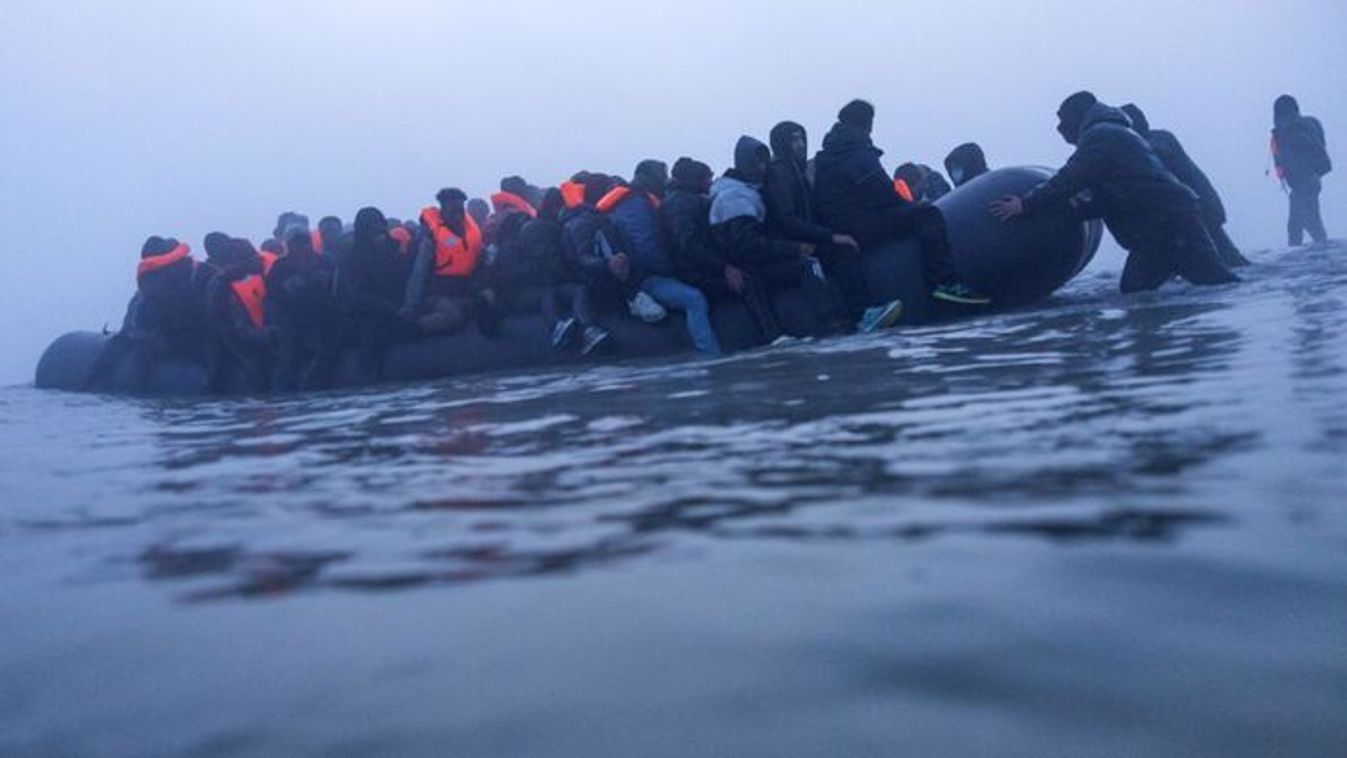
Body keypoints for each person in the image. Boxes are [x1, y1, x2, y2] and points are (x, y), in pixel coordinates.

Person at [989, 91, 1239, 293]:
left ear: (1077, 116)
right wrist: (1065, 213)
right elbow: (1111, 197)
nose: (1059, 128)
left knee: (1144, 293)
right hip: (1167, 223)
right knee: (1208, 283)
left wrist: (1025, 204)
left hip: (1165, 226)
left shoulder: (1101, 137)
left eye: (1063, 120)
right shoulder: (1114, 134)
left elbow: (1069, 179)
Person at [813, 99, 990, 306]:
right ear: (866, 123)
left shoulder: (831, 153)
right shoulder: (857, 151)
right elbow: (883, 192)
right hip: (857, 222)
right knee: (927, 214)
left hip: (840, 223)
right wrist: (907, 207)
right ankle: (944, 281)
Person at [764, 121, 902, 332]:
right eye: (793, 140)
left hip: (807, 239)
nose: (800, 145)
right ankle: (856, 315)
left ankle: (860, 313)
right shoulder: (779, 174)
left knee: (842, 250)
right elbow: (786, 219)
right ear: (781, 144)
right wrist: (828, 236)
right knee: (837, 253)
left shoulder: (797, 172)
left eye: (801, 139)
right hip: (792, 246)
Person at [709, 137, 850, 337]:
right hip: (750, 266)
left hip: (751, 260)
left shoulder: (745, 190)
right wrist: (793, 248)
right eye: (758, 162)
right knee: (809, 265)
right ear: (745, 163)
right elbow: (747, 244)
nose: (763, 167)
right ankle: (834, 323)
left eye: (764, 162)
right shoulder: (735, 197)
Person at [599, 160, 723, 356]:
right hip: (646, 277)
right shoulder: (635, 205)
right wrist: (673, 270)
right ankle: (710, 355)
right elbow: (646, 247)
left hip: (648, 272)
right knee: (694, 299)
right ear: (652, 177)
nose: (666, 181)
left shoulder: (635, 201)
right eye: (663, 176)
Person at [663, 156, 782, 342]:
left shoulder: (689, 200)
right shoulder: (680, 205)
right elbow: (689, 246)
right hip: (692, 271)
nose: (711, 182)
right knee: (748, 282)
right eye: (707, 178)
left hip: (700, 264)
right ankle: (772, 337)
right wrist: (723, 267)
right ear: (696, 180)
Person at [1121, 104, 1250, 268]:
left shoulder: (1154, 144)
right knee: (1224, 259)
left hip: (1196, 208)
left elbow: (1157, 158)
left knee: (1224, 260)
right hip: (1199, 204)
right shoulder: (1161, 137)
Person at [84, 236, 216, 391]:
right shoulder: (158, 281)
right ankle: (93, 382)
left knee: (143, 355)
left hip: (196, 337)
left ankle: (140, 393)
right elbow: (142, 318)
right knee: (127, 346)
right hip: (170, 334)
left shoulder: (200, 277)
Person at [497, 188, 611, 354]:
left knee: (578, 290)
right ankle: (557, 326)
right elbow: (516, 275)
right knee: (548, 295)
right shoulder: (507, 248)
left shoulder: (535, 238)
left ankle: (589, 329)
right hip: (523, 292)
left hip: (548, 283)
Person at [405, 187, 500, 335]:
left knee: (489, 303)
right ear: (443, 210)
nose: (457, 215)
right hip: (435, 294)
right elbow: (419, 272)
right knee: (454, 318)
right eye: (452, 211)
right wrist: (410, 306)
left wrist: (486, 288)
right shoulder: (430, 238)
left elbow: (480, 266)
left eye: (459, 210)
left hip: (462, 291)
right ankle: (408, 329)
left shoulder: (472, 235)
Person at [339, 207, 415, 383]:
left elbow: (408, 280)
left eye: (380, 227)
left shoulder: (397, 251)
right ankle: (367, 377)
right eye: (372, 229)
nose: (378, 233)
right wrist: (392, 310)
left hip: (401, 307)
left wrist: (407, 306)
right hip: (368, 315)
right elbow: (357, 295)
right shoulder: (351, 260)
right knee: (372, 335)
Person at [266, 230, 341, 390]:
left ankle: (312, 385)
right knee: (288, 356)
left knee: (326, 350)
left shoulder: (326, 261)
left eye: (305, 242)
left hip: (324, 318)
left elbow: (338, 291)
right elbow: (274, 298)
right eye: (296, 243)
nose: (301, 246)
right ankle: (283, 392)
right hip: (292, 321)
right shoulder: (280, 267)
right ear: (289, 245)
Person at [205, 237, 276, 392]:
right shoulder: (221, 285)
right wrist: (266, 335)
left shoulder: (265, 276)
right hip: (234, 344)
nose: (257, 260)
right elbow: (232, 328)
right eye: (250, 257)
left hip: (261, 338)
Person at [1271, 95, 1332, 247]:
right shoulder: (1300, 128)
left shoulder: (1296, 131)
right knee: (1309, 221)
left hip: (1305, 183)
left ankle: (1301, 254)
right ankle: (1322, 251)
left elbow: (1304, 156)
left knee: (1298, 224)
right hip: (1308, 182)